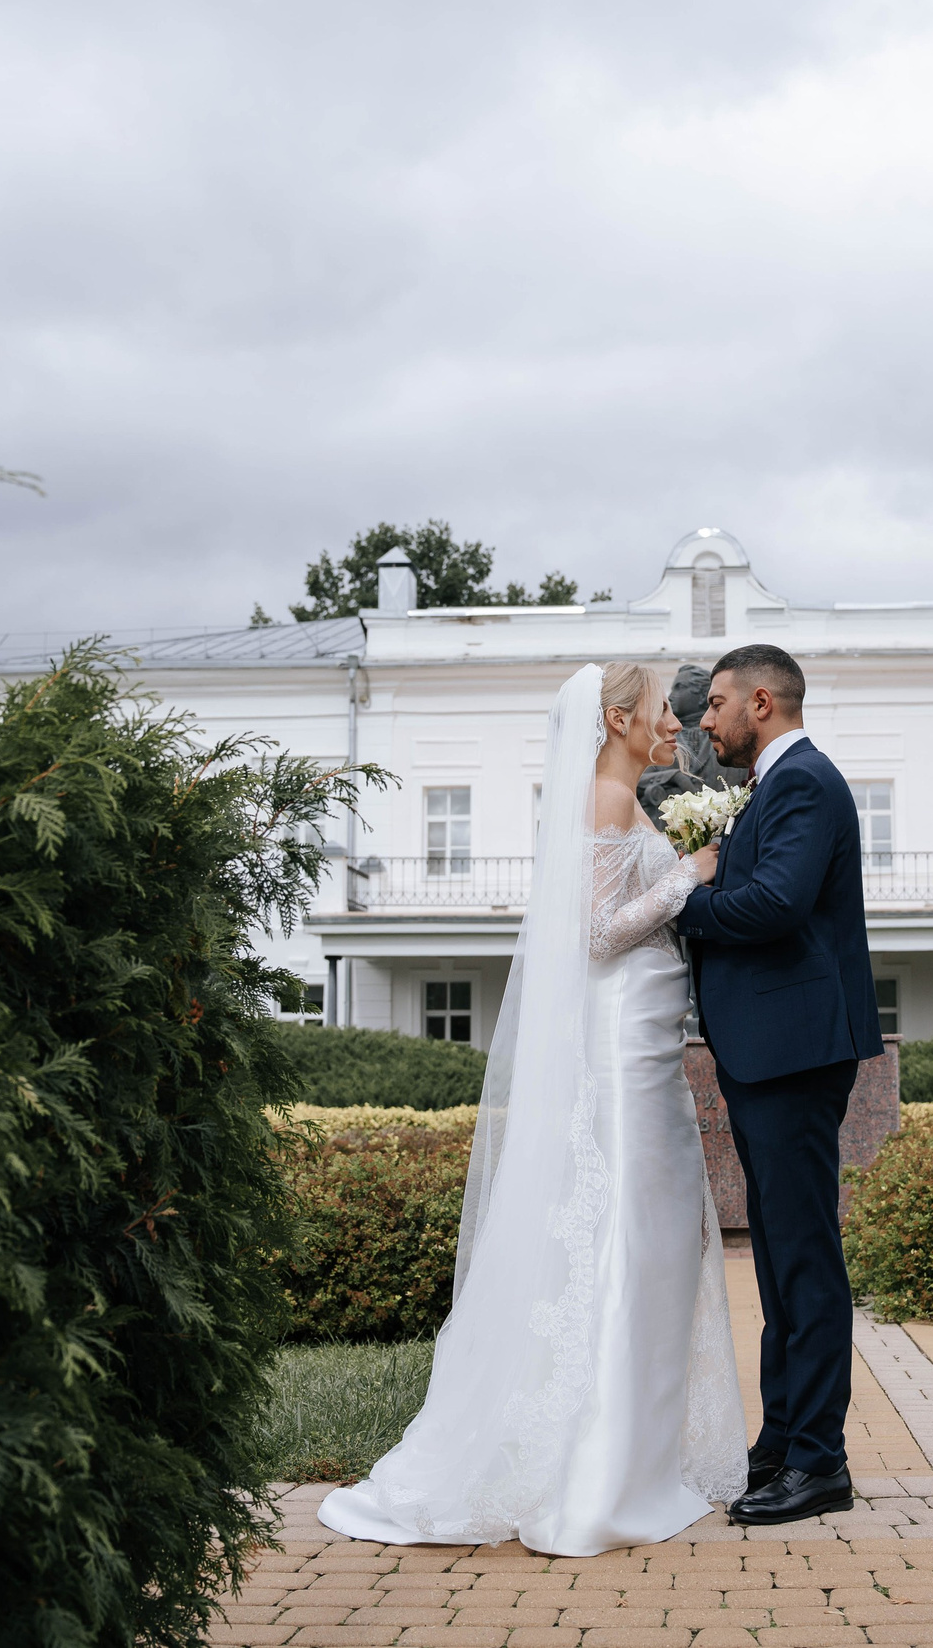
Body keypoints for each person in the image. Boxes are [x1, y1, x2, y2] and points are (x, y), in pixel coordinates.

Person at [316, 663, 741, 1556]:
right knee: (629, 1229)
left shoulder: (621, 792)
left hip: (649, 1041)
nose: (678, 722)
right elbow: (598, 932)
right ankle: (600, 1478)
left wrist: (679, 875)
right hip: (623, 1047)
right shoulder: (603, 799)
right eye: (664, 709)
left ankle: (634, 1454)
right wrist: (690, 875)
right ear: (618, 718)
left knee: (656, 1236)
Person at [679, 644, 884, 1526]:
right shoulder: (775, 783)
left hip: (795, 1054)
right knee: (777, 1258)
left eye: (717, 703)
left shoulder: (803, 781)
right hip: (772, 1053)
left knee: (803, 1260)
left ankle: (820, 1460)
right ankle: (782, 1442)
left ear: (762, 701)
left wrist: (678, 901)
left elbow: (775, 904)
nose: (704, 720)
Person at [635, 661, 747, 824]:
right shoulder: (656, 738)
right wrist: (674, 776)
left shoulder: (731, 744)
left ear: (703, 696)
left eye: (679, 687)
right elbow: (631, 778)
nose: (672, 695)